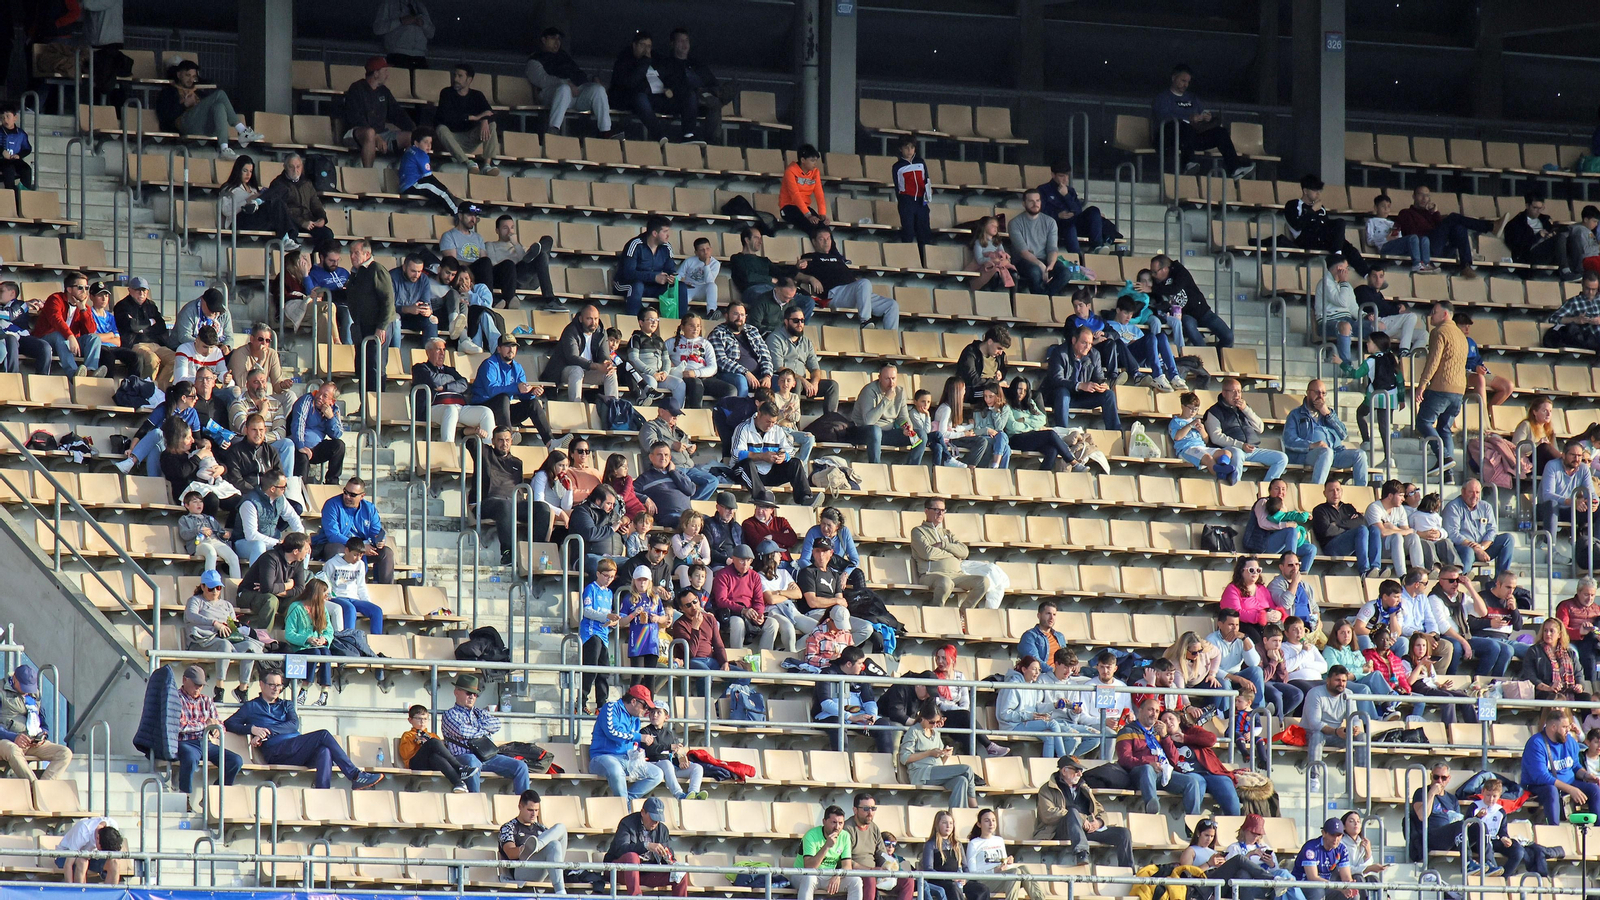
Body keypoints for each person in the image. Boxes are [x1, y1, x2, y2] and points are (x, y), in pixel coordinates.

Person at [223, 670, 382, 790]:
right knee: (323, 735)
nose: (276, 689)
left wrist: (267, 731)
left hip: (296, 748)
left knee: (325, 751)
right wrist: (252, 729)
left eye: (279, 685)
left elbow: (293, 725)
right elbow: (229, 723)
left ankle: (322, 795)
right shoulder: (251, 706)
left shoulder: (287, 705)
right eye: (272, 685)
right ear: (261, 684)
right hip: (277, 752)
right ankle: (355, 775)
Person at [1151, 64, 1252, 178]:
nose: (1185, 85)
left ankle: (1235, 168)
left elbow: (1202, 112)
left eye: (1188, 82)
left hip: (1191, 137)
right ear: (1174, 78)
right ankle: (1187, 163)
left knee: (1221, 132)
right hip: (1168, 138)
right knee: (1183, 126)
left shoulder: (1192, 98)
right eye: (1183, 81)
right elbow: (1163, 116)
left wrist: (1206, 117)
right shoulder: (1162, 98)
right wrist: (1189, 118)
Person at [1033, 756, 1133, 868]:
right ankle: (1082, 853)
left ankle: (1128, 871)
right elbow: (1048, 814)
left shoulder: (1084, 787)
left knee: (1123, 833)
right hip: (1060, 831)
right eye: (1076, 770)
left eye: (1081, 770)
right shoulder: (1047, 789)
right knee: (1072, 811)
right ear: (1064, 771)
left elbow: (1100, 810)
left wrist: (1098, 822)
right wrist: (1081, 818)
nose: (1080, 774)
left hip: (1086, 830)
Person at [441, 672, 531, 795]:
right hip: (463, 757)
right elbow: (462, 731)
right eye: (468, 693)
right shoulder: (450, 714)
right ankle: (476, 801)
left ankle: (526, 803)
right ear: (457, 692)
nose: (472, 697)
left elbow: (496, 724)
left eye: (475, 694)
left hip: (487, 756)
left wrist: (474, 729)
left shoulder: (480, 712)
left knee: (521, 766)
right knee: (472, 762)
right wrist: (483, 730)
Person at [155, 59, 262, 159]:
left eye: (194, 76)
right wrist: (185, 105)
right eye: (187, 75)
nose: (191, 80)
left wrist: (198, 104)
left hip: (201, 127)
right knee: (220, 94)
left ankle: (224, 148)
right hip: (183, 126)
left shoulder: (198, 93)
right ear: (179, 75)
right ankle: (242, 130)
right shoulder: (168, 92)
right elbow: (165, 117)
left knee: (219, 106)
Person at [796, 229, 900, 331]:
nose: (826, 242)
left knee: (892, 305)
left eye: (828, 238)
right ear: (814, 242)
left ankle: (892, 338)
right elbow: (796, 274)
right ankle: (865, 321)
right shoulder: (810, 257)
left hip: (854, 293)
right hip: (835, 294)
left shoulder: (837, 258)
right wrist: (811, 278)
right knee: (864, 283)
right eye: (821, 239)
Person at [1115, 695, 1205, 814]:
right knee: (1147, 769)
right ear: (1140, 711)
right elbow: (1124, 759)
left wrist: (1165, 737)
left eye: (1157, 711)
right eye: (1150, 709)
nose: (1154, 714)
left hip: (1163, 773)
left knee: (1191, 782)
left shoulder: (1159, 731)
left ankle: (1194, 821)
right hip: (1140, 774)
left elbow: (1174, 760)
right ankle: (1152, 808)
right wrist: (1149, 763)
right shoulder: (1127, 730)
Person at [1411, 301, 1467, 476]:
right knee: (1444, 429)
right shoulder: (1461, 336)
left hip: (1441, 387)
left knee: (1424, 422)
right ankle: (1448, 475)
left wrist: (1422, 384)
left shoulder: (1439, 332)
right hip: (1459, 390)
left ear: (1445, 314)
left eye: (1434, 312)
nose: (1431, 315)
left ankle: (1444, 457)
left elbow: (1433, 361)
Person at [526, 27, 615, 136]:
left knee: (598, 89)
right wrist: (565, 82)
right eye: (553, 38)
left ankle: (606, 131)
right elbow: (542, 80)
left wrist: (593, 78)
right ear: (544, 40)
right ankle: (553, 130)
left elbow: (578, 73)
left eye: (559, 39)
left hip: (576, 93)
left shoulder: (563, 56)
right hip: (552, 94)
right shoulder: (535, 59)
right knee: (564, 89)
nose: (557, 42)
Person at [589, 683, 666, 801]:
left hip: (626, 759)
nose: (646, 711)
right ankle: (624, 805)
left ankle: (627, 801)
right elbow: (613, 732)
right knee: (616, 769)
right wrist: (639, 737)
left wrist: (637, 750)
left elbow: (632, 741)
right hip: (602, 757)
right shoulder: (611, 708)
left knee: (657, 774)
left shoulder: (635, 719)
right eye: (645, 706)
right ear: (634, 701)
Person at [812, 645, 895, 753]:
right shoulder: (827, 674)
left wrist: (872, 716)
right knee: (838, 724)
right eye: (860, 663)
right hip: (830, 715)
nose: (863, 667)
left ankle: (887, 761)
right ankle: (842, 760)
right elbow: (826, 704)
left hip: (858, 715)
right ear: (849, 664)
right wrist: (850, 717)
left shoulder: (862, 676)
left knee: (883, 724)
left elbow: (869, 701)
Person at [1284, 380, 1368, 486]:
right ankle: (1317, 490)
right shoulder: (1296, 414)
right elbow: (1289, 440)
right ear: (1308, 392)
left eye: (1323, 393)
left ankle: (1362, 491)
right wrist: (1312, 445)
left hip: (1335, 453)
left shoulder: (1329, 413)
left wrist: (1328, 414)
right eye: (1317, 392)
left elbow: (1343, 434)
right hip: (1308, 454)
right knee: (1326, 452)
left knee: (1360, 455)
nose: (1320, 396)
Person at [733, 401, 818, 505]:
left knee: (795, 463)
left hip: (770, 472)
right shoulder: (743, 428)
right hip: (746, 472)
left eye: (773, 422)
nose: (770, 425)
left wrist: (784, 456)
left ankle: (805, 498)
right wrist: (761, 456)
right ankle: (761, 498)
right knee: (747, 464)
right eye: (767, 421)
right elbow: (737, 455)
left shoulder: (777, 430)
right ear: (759, 414)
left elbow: (790, 451)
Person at [1204, 378, 1289, 482]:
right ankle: (1235, 485)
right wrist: (1241, 445)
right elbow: (1216, 437)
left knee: (1281, 458)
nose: (1237, 395)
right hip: (1231, 449)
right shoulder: (1214, 412)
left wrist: (1245, 410)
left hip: (1252, 449)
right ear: (1224, 393)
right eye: (1233, 391)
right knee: (1238, 454)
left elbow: (1260, 428)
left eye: (1239, 391)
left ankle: (1267, 488)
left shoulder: (1244, 408)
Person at [313, 477, 393, 584]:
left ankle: (386, 590)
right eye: (345, 492)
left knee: (386, 553)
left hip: (363, 547)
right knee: (337, 549)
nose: (347, 496)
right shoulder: (332, 505)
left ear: (362, 496)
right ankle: (337, 588)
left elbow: (376, 532)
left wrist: (379, 541)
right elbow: (333, 535)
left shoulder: (369, 509)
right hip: (337, 545)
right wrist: (359, 547)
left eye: (352, 495)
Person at [912, 498, 990, 608]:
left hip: (956, 575)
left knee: (983, 581)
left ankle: (964, 611)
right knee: (945, 582)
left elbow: (964, 552)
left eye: (943, 510)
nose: (940, 513)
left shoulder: (947, 533)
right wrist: (953, 554)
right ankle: (937, 610)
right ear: (926, 511)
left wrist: (943, 545)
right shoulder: (918, 531)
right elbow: (927, 553)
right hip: (931, 575)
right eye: (936, 509)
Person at [604, 795, 689, 896]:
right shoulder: (627, 823)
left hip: (646, 873)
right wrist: (646, 846)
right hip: (620, 871)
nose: (655, 822)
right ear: (643, 812)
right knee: (632, 856)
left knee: (680, 873)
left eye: (658, 819)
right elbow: (621, 849)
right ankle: (636, 897)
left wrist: (670, 860)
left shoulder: (662, 830)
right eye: (653, 818)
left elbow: (666, 860)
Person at [1300, 667, 1367, 793]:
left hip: (1336, 735)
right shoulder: (1315, 693)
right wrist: (1336, 731)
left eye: (1344, 681)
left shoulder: (1349, 694)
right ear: (1328, 680)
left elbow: (1355, 718)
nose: (1341, 684)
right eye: (1337, 680)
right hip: (1310, 734)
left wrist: (1356, 728)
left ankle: (1361, 778)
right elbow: (1314, 724)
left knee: (1362, 737)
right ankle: (1314, 778)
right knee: (1317, 735)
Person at [0, 664, 71, 782]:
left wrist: (43, 735)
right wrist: (14, 737)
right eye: (24, 687)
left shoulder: (34, 694)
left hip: (30, 742)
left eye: (30, 688)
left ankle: (43, 786)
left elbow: (43, 723)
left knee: (64, 753)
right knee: (13, 750)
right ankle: (35, 786)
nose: (27, 691)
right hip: (5, 741)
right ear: (15, 679)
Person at [342, 58, 415, 168]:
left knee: (411, 137)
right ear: (376, 73)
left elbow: (397, 113)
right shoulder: (356, 88)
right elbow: (355, 118)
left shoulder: (384, 91)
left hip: (382, 134)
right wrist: (376, 137)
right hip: (356, 134)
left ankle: (404, 172)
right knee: (370, 133)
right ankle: (368, 173)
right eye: (385, 71)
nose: (387, 75)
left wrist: (415, 130)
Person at [1288, 177, 1369, 276]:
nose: (1318, 194)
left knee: (1346, 241)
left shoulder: (1321, 207)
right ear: (1305, 191)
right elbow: (1297, 225)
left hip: (1322, 238)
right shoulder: (1293, 204)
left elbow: (1326, 224)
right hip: (1306, 239)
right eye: (1315, 190)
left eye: (1319, 191)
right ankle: (1337, 257)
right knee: (1338, 240)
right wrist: (1312, 210)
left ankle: (1367, 274)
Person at [1151, 253, 1233, 350]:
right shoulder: (1154, 281)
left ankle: (1216, 356)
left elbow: (1175, 289)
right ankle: (1206, 354)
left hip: (1202, 311)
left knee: (1228, 336)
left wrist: (1152, 288)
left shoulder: (1179, 271)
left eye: (1155, 272)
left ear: (1165, 269)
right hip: (1185, 315)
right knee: (1189, 326)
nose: (1153, 275)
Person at [1043, 327, 1120, 430]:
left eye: (1090, 343)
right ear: (1074, 340)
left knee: (1108, 395)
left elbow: (1099, 377)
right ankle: (1062, 432)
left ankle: (1116, 433)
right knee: (1063, 392)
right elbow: (1056, 380)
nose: (1088, 347)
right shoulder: (1060, 353)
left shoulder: (1095, 354)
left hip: (1081, 397)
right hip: (1058, 397)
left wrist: (1102, 385)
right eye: (1084, 343)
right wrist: (1079, 385)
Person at [608, 31, 679, 143]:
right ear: (634, 45)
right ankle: (660, 136)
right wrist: (645, 62)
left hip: (653, 97)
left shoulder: (657, 60)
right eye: (642, 45)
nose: (646, 50)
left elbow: (668, 77)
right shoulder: (624, 60)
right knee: (640, 98)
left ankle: (687, 136)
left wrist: (669, 88)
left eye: (649, 46)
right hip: (626, 98)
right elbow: (631, 83)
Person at [1179, 817, 1276, 898]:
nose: (1209, 839)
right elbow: (1186, 875)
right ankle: (1273, 880)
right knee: (1239, 859)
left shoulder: (1213, 852)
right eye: (1206, 835)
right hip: (1205, 885)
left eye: (1212, 836)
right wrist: (1208, 864)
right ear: (1198, 834)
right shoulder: (1191, 851)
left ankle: (1270, 884)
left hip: (1220, 883)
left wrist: (1221, 865)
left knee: (1243, 874)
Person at [851, 361, 925, 465]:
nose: (891, 383)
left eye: (893, 378)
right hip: (865, 432)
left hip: (887, 433)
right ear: (880, 378)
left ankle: (912, 468)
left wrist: (907, 427)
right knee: (875, 430)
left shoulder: (900, 391)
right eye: (887, 379)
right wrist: (886, 399)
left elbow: (903, 417)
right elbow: (868, 421)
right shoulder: (869, 390)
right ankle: (876, 467)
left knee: (921, 435)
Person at [768, 306, 839, 413]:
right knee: (796, 382)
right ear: (786, 322)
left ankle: (830, 420)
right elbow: (779, 368)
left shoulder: (807, 342)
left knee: (832, 385)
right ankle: (794, 421)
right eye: (796, 321)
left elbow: (815, 368)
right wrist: (802, 380)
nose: (800, 324)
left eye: (802, 320)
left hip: (803, 383)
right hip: (783, 381)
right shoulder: (775, 338)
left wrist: (814, 382)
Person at [433, 63, 499, 174]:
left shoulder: (477, 95)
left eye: (460, 76)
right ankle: (468, 163)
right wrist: (473, 117)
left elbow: (491, 114)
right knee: (441, 128)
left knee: (491, 125)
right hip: (452, 139)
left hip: (470, 139)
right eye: (455, 75)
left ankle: (487, 165)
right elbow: (445, 117)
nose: (455, 79)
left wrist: (484, 120)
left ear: (469, 80)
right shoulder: (446, 93)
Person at [499, 789, 569, 889]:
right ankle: (560, 891)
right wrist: (524, 849)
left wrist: (535, 848)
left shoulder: (541, 828)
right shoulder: (509, 827)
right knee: (554, 845)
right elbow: (510, 853)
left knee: (561, 828)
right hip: (521, 871)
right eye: (530, 810)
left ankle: (537, 846)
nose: (534, 814)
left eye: (536, 810)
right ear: (520, 807)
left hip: (545, 871)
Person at [32, 274, 97, 377]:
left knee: (94, 338)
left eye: (86, 288)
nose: (84, 291)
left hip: (70, 343)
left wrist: (83, 310)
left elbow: (90, 331)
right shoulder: (55, 299)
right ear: (69, 289)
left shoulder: (85, 307)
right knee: (58, 335)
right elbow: (56, 320)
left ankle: (91, 371)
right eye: (80, 288)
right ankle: (74, 374)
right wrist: (70, 336)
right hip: (47, 340)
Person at [1008, 190, 1070, 296]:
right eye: (1031, 201)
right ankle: (1043, 298)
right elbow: (1023, 252)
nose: (1035, 204)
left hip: (1045, 259)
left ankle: (1043, 296)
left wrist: (1050, 265)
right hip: (1024, 261)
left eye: (1037, 200)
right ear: (1024, 203)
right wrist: (1041, 265)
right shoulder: (1014, 223)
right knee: (1035, 271)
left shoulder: (1050, 222)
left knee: (1066, 273)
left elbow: (1052, 249)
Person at [112, 277, 174, 383]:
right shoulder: (122, 306)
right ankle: (145, 387)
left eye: (144, 290)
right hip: (136, 344)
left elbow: (161, 326)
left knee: (176, 359)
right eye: (138, 290)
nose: (141, 293)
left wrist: (141, 328)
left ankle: (159, 387)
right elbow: (132, 326)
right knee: (152, 360)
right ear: (130, 290)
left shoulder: (151, 305)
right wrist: (150, 322)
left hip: (156, 344)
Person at [615, 216, 678, 317]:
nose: (668, 235)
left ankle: (681, 322)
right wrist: (654, 277)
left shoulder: (667, 247)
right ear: (655, 233)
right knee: (637, 286)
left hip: (653, 286)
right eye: (665, 231)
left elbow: (670, 269)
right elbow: (628, 273)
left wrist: (672, 277)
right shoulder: (635, 245)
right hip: (625, 284)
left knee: (680, 287)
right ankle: (633, 320)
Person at [1539, 441, 1595, 552]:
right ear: (1564, 455)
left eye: (1579, 456)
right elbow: (1547, 495)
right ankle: (1550, 550)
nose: (1577, 459)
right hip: (1547, 510)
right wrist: (1571, 502)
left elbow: (1591, 493)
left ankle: (1596, 548)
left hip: (1569, 511)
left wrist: (1594, 502)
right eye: (1573, 455)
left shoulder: (1584, 469)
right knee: (1552, 504)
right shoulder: (1552, 465)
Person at [397, 703, 468, 792]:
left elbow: (443, 752)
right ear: (410, 720)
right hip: (415, 763)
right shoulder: (408, 735)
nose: (422, 721)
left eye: (425, 719)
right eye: (418, 718)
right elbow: (406, 755)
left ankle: (459, 783)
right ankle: (459, 767)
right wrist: (417, 742)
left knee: (435, 756)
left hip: (430, 763)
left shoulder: (432, 735)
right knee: (433, 742)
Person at [268, 154, 333, 250]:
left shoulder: (307, 183)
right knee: (291, 232)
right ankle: (293, 258)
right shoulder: (278, 184)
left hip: (309, 221)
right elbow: (281, 210)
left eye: (298, 166)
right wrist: (302, 222)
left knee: (327, 234)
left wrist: (322, 218)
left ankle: (317, 258)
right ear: (285, 167)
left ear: (302, 166)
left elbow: (316, 204)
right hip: (291, 222)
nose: (295, 170)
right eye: (291, 167)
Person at [286, 381, 345, 484]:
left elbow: (337, 434)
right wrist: (301, 446)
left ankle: (332, 483)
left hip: (317, 447)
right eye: (319, 392)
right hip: (298, 444)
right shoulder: (307, 400)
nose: (319, 397)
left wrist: (330, 418)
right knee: (303, 457)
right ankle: (300, 489)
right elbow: (298, 424)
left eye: (325, 396)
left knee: (339, 446)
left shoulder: (334, 409)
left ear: (332, 401)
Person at [1292, 818, 1356, 900]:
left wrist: (1349, 885)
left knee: (1352, 894)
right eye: (1332, 834)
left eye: (1339, 835)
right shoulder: (1311, 848)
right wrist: (1339, 888)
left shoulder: (1342, 849)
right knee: (1318, 891)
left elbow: (1346, 877)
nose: (1336, 839)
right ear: (1323, 833)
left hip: (1327, 886)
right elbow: (1313, 878)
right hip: (1304, 885)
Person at [890, 136, 933, 249]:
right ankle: (908, 256)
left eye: (912, 147)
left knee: (924, 232)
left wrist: (927, 193)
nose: (909, 150)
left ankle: (924, 258)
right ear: (901, 149)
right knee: (908, 232)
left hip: (921, 201)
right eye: (906, 147)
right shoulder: (897, 166)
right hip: (907, 202)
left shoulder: (920, 162)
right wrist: (903, 201)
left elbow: (926, 179)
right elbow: (898, 186)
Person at [55, 816, 124, 884]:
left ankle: (111, 890)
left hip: (91, 857)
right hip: (64, 856)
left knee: (115, 862)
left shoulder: (112, 825)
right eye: (102, 850)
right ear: (97, 838)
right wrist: (70, 887)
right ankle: (80, 890)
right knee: (82, 860)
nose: (102, 851)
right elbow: (68, 865)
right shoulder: (83, 832)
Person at [1558, 577, 1600, 684]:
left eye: (1592, 595)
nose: (1589, 598)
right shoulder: (1566, 606)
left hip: (1594, 642)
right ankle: (1590, 686)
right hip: (1574, 641)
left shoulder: (1597, 609)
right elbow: (1561, 630)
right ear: (1578, 592)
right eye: (1586, 594)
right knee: (1588, 655)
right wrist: (1579, 632)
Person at [781, 144, 829, 236]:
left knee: (824, 228)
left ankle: (830, 246)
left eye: (816, 160)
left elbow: (819, 193)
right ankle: (818, 244)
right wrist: (808, 215)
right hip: (789, 207)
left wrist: (822, 213)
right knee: (812, 227)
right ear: (803, 160)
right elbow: (795, 195)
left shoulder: (815, 172)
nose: (815, 163)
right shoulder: (790, 171)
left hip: (805, 207)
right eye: (812, 160)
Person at [1504, 192, 1560, 266]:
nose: (1538, 211)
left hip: (1547, 251)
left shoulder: (1545, 220)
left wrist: (1552, 234)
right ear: (1527, 206)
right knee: (1560, 239)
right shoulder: (1516, 223)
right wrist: (1538, 236)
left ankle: (1567, 268)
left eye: (1540, 208)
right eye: (1535, 208)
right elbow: (1518, 247)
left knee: (1565, 236)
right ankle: (1565, 268)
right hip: (1529, 255)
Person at [922, 811, 967, 900]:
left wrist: (965, 879)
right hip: (939, 881)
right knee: (953, 887)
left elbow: (965, 867)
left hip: (957, 881)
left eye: (951, 823)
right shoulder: (930, 844)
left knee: (981, 889)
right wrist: (950, 878)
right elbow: (928, 869)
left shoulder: (958, 845)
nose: (948, 826)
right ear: (937, 825)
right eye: (944, 823)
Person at [0, 103, 33, 190]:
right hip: (2, 161)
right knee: (9, 169)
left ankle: (25, 193)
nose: (5, 120)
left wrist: (19, 155)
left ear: (15, 118)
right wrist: (2, 151)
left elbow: (27, 148)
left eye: (8, 116)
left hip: (15, 160)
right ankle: (10, 192)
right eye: (2, 118)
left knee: (26, 169)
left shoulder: (21, 134)